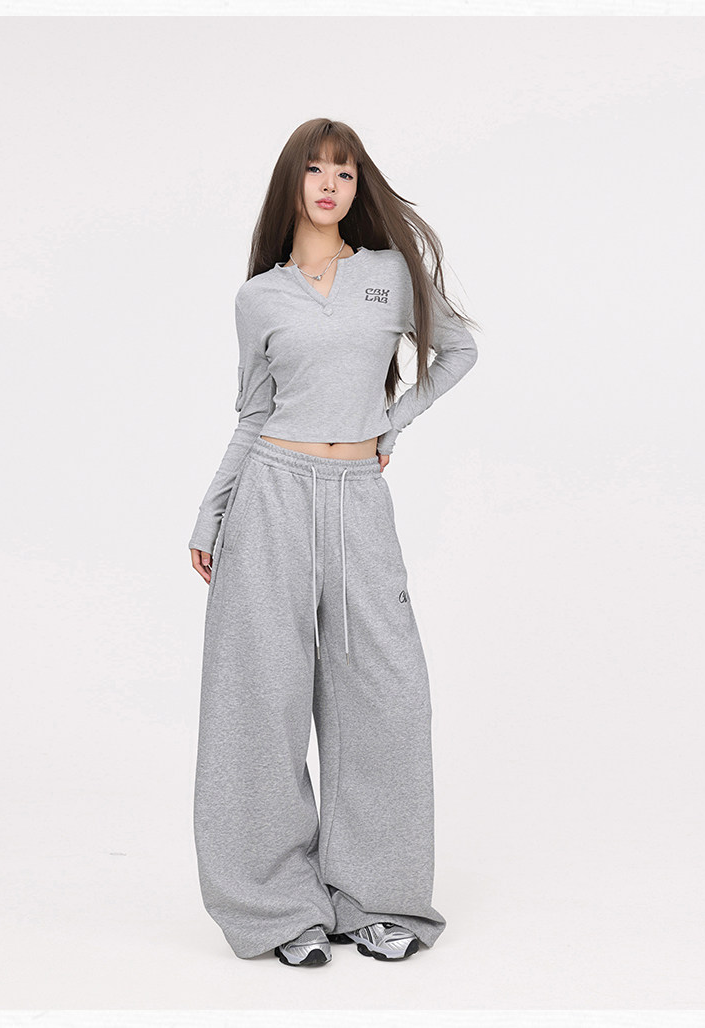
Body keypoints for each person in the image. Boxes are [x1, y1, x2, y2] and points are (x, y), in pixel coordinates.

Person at [188, 118, 479, 966]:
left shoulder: (389, 275)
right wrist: (212, 512)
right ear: (292, 183)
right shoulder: (260, 297)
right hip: (270, 496)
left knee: (387, 698)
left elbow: (457, 349)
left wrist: (392, 422)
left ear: (358, 186)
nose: (328, 184)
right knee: (259, 704)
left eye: (343, 172)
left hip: (357, 499)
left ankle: (377, 899)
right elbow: (253, 412)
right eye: (314, 169)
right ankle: (277, 909)